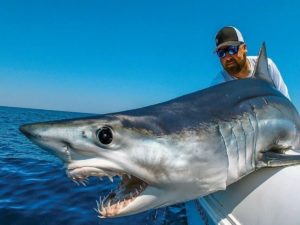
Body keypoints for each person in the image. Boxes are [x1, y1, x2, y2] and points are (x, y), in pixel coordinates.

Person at [211, 26, 290, 100]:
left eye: (232, 49)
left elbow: (285, 99)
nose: (227, 57)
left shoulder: (267, 66)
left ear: (244, 48)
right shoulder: (219, 85)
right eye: (221, 53)